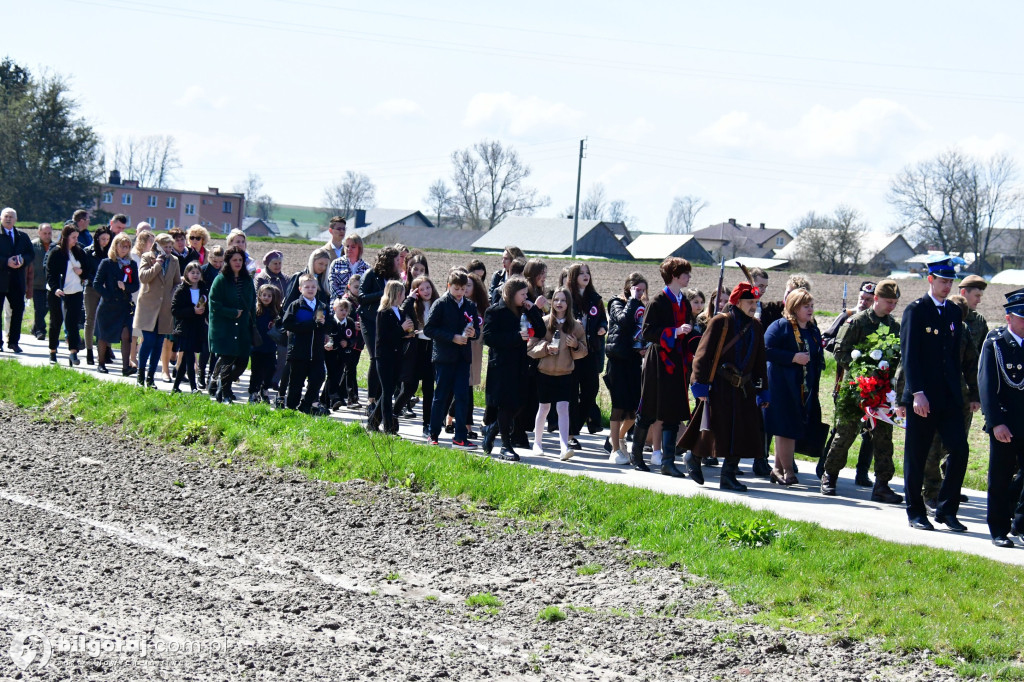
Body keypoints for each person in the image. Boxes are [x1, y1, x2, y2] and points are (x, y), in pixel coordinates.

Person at [899, 256, 970, 533]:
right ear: (930, 279)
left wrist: (960, 392)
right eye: (942, 281)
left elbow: (953, 357)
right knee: (916, 455)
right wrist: (916, 393)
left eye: (950, 281)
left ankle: (946, 510)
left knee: (960, 450)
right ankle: (915, 512)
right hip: (922, 397)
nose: (947, 286)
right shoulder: (916, 311)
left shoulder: (953, 312)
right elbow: (910, 356)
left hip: (948, 397)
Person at [820, 280, 903, 503]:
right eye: (888, 302)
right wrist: (861, 373)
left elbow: (897, 357)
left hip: (882, 391)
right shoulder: (857, 322)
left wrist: (886, 378)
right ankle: (830, 476)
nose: (892, 306)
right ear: (876, 298)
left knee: (884, 438)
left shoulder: (894, 327)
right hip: (855, 389)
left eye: (895, 303)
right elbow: (839, 351)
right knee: (845, 434)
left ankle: (882, 485)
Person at [681, 282, 769, 491]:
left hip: (745, 387)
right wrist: (699, 385)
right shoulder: (721, 322)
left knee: (742, 431)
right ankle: (693, 457)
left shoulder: (756, 326)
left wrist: (763, 390)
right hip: (720, 385)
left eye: (755, 302)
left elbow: (759, 361)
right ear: (737, 302)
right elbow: (702, 355)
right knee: (714, 428)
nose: (753, 306)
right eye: (749, 302)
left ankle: (728, 475)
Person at [629, 257, 696, 478]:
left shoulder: (684, 302)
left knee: (673, 411)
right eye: (685, 273)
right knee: (649, 407)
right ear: (674, 276)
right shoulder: (657, 301)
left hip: (678, 361)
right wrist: (674, 332)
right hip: (658, 361)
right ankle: (636, 454)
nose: (688, 277)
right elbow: (647, 332)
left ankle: (668, 462)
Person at [921, 294, 981, 509]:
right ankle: (930, 492)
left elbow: (972, 364)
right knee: (931, 448)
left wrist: (975, 395)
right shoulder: (929, 325)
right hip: (932, 397)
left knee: (956, 449)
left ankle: (949, 491)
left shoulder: (963, 331)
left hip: (958, 399)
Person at [763, 288, 824, 485]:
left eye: (812, 306)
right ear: (794, 307)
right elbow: (765, 350)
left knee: (791, 427)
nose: (810, 310)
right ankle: (788, 471)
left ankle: (777, 469)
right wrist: (792, 358)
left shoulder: (813, 329)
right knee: (784, 428)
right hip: (781, 386)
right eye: (806, 306)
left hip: (803, 388)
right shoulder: (780, 326)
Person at [979, 288, 1024, 548]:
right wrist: (996, 422)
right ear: (1009, 318)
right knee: (1000, 477)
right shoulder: (996, 344)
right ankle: (998, 529)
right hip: (1005, 423)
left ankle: (1020, 523)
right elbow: (987, 387)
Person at [820, 281, 877, 485]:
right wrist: (844, 345)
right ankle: (824, 468)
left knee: (870, 432)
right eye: (862, 298)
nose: (864, 302)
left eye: (869, 300)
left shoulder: (877, 322)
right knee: (841, 429)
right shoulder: (847, 316)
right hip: (845, 382)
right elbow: (825, 340)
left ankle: (862, 473)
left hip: (872, 386)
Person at [481, 276, 537, 461]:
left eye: (526, 294)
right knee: (506, 405)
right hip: (502, 366)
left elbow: (541, 331)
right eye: (522, 294)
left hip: (521, 364)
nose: (525, 297)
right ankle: (506, 445)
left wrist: (534, 310)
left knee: (520, 403)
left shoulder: (524, 310)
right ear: (512, 294)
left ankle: (492, 428)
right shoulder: (495, 311)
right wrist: (515, 337)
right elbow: (489, 337)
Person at [528, 287, 587, 460]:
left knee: (563, 408)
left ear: (568, 304)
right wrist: (545, 348)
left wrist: (575, 345)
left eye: (563, 300)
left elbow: (583, 351)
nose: (559, 303)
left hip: (565, 373)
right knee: (544, 407)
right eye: (556, 300)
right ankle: (537, 443)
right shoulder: (543, 322)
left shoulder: (575, 326)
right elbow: (531, 348)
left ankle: (564, 447)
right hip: (545, 372)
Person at [425, 269, 480, 449]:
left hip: (463, 358)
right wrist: (452, 337)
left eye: (463, 289)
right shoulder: (441, 304)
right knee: (440, 397)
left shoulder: (470, 306)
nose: (459, 293)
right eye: (456, 289)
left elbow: (477, 330)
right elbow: (429, 329)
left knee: (462, 397)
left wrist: (473, 333)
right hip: (444, 357)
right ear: (449, 286)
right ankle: (433, 433)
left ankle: (460, 437)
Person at [603, 273, 647, 465]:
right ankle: (614, 450)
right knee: (619, 407)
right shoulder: (616, 302)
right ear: (628, 287)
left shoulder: (642, 306)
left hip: (633, 360)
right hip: (618, 360)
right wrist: (633, 300)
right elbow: (623, 320)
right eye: (637, 288)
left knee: (634, 409)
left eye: (643, 290)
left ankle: (616, 438)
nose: (641, 293)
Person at [208, 246, 257, 403]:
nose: (238, 263)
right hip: (224, 327)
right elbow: (214, 304)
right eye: (234, 260)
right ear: (228, 261)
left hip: (243, 327)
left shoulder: (247, 280)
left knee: (242, 361)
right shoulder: (220, 279)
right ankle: (224, 393)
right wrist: (232, 312)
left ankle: (218, 381)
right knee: (227, 359)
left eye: (240, 260)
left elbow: (252, 304)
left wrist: (252, 324)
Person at [281, 274, 336, 413]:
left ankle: (306, 405)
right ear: (300, 289)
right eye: (307, 287)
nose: (310, 289)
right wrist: (311, 325)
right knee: (296, 383)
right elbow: (287, 324)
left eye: (313, 286)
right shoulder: (296, 305)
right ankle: (291, 409)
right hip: (298, 351)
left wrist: (325, 326)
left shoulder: (321, 306)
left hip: (316, 352)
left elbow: (329, 324)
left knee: (318, 379)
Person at [567, 262, 608, 446]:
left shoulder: (595, 298)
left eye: (587, 273)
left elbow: (603, 320)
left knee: (591, 390)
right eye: (581, 273)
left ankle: (576, 425)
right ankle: (570, 433)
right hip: (571, 351)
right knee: (571, 392)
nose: (586, 276)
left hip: (590, 351)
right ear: (573, 276)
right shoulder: (567, 296)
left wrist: (602, 328)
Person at [135, 234, 181, 388]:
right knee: (148, 340)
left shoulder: (174, 261)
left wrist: (172, 295)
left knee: (158, 343)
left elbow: (177, 282)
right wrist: (157, 265)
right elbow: (143, 277)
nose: (168, 250)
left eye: (170, 247)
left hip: (165, 308)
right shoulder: (148, 257)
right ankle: (140, 374)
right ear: (157, 246)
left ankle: (151, 377)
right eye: (165, 247)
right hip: (148, 306)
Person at [359, 247, 401, 417]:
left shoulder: (395, 278)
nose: (400, 262)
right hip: (369, 320)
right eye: (397, 260)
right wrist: (383, 293)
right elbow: (361, 297)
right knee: (375, 357)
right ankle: (371, 400)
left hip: (386, 322)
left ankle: (382, 397)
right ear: (389, 260)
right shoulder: (371, 274)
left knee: (384, 359)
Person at [395, 275, 438, 437]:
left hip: (432, 348)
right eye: (421, 289)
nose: (426, 291)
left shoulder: (437, 304)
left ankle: (427, 424)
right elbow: (400, 313)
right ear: (416, 291)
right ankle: (394, 413)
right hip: (416, 349)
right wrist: (409, 298)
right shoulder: (412, 306)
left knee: (429, 390)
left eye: (428, 287)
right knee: (409, 387)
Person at [92, 233, 139, 377]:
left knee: (126, 335)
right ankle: (101, 363)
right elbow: (97, 283)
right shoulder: (107, 263)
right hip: (108, 305)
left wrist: (125, 286)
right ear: (115, 246)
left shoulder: (132, 264)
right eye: (122, 246)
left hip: (124, 305)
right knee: (104, 335)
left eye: (127, 246)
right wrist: (108, 296)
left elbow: (136, 285)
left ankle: (125, 367)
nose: (124, 249)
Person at [368, 280, 412, 432]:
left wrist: (407, 334)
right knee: (387, 393)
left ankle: (373, 422)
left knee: (389, 390)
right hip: (384, 357)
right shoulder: (384, 313)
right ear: (397, 294)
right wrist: (401, 330)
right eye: (403, 293)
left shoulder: (399, 311)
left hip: (396, 356)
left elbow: (397, 334)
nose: (404, 296)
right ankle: (388, 427)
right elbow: (383, 337)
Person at [44, 224, 89, 365]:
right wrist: (55, 288)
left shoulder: (79, 252)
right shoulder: (56, 252)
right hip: (57, 292)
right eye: (73, 237)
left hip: (75, 292)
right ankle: (52, 351)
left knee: (72, 323)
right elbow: (50, 273)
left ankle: (73, 352)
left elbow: (88, 269)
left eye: (77, 237)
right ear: (65, 237)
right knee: (56, 321)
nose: (76, 240)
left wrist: (82, 273)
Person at [169, 262, 209, 393]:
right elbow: (175, 310)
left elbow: (208, 307)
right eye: (192, 273)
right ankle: (193, 387)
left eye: (198, 273)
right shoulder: (181, 290)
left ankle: (175, 387)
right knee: (190, 356)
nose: (195, 275)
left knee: (187, 355)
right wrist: (193, 311)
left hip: (198, 327)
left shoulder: (204, 289)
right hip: (185, 328)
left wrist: (204, 312)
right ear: (187, 274)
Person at [0, 207, 34, 353]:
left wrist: (22, 261)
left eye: (11, 216)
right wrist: (5, 261)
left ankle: (13, 342)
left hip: (16, 280)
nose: (8, 219)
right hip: (1, 279)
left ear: (16, 219)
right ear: (1, 218)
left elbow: (30, 254)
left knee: (18, 310)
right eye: (6, 216)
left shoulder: (22, 236)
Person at [82, 226, 112, 366]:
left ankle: (105, 351)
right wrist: (97, 282)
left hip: (107, 290)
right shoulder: (88, 252)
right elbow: (86, 271)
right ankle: (89, 351)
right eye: (102, 239)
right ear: (97, 238)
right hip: (91, 288)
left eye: (107, 239)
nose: (105, 242)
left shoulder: (111, 252)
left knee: (106, 320)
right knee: (90, 319)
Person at [250, 284, 283, 404]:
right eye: (264, 295)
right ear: (259, 296)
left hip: (270, 347)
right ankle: (253, 392)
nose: (266, 298)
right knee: (256, 371)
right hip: (257, 347)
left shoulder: (275, 312)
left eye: (269, 296)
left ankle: (264, 390)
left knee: (270, 370)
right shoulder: (256, 311)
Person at [323, 297, 358, 410]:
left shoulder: (350, 322)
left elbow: (353, 338)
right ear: (335, 309)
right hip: (331, 353)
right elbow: (329, 336)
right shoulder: (330, 321)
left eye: (346, 310)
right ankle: (335, 398)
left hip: (343, 354)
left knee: (336, 376)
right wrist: (337, 342)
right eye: (341, 309)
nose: (343, 312)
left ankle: (324, 400)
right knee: (332, 374)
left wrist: (348, 342)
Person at [129, 230, 155, 370]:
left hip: (147, 296)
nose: (153, 244)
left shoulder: (152, 257)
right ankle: (132, 357)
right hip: (135, 295)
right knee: (135, 330)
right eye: (151, 241)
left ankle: (140, 355)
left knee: (145, 330)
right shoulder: (133, 255)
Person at [27, 222, 53, 340]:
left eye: (49, 233)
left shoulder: (55, 246)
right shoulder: (33, 246)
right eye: (44, 233)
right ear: (39, 233)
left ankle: (35, 327)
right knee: (39, 308)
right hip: (36, 283)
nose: (47, 235)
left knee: (47, 307)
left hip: (50, 284)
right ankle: (40, 330)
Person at [341, 274, 364, 407]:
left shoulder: (361, 301)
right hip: (348, 339)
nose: (358, 289)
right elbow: (340, 318)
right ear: (349, 287)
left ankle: (344, 394)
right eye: (356, 287)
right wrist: (352, 324)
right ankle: (351, 397)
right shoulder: (346, 301)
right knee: (349, 368)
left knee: (351, 367)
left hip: (358, 340)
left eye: (360, 287)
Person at [328, 233, 369, 300]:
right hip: (339, 305)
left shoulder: (366, 267)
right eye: (347, 246)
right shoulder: (336, 264)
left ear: (359, 249)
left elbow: (367, 288)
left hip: (359, 305)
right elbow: (332, 284)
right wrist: (344, 298)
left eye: (353, 247)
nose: (349, 249)